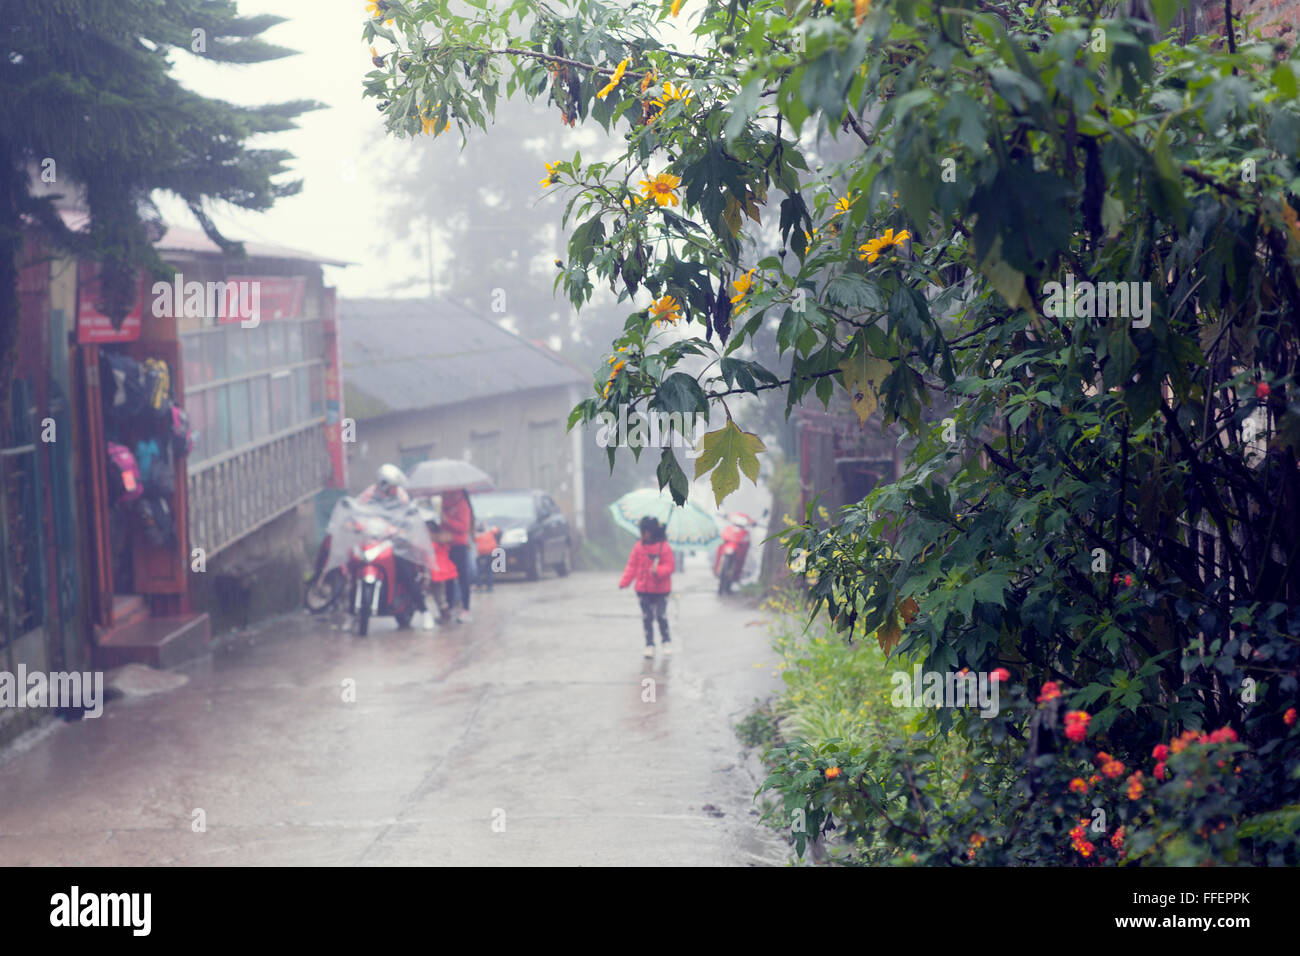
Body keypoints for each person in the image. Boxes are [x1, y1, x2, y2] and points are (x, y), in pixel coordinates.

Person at [357, 464, 425, 621]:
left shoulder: (401, 496)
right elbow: (357, 510)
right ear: (383, 484)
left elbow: (408, 515)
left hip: (396, 544)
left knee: (406, 573)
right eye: (392, 486)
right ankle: (350, 613)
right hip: (373, 541)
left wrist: (403, 530)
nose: (395, 489)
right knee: (355, 567)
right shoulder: (369, 494)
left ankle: (424, 610)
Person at [618, 516, 675, 658]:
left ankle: (666, 641)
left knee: (661, 616)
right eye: (643, 531)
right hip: (643, 589)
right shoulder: (638, 547)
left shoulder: (664, 547)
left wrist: (659, 570)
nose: (645, 534)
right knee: (647, 617)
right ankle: (649, 644)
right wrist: (625, 581)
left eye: (648, 531)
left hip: (661, 590)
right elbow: (632, 565)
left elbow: (670, 566)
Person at [441, 488, 475, 621]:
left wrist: (448, 521)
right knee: (448, 577)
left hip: (459, 545)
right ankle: (449, 607)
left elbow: (463, 527)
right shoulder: (444, 504)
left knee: (462, 577)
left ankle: (465, 608)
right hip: (446, 544)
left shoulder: (462, 504)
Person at [475, 522, 502, 592]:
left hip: (482, 555)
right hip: (491, 553)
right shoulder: (490, 532)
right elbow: (497, 530)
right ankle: (489, 587)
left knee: (479, 571)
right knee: (488, 571)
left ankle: (479, 586)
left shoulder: (478, 535)